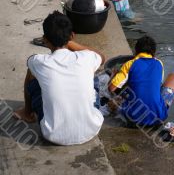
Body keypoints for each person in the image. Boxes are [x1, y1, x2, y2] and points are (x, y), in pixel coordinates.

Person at [14, 11, 105, 145]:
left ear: (45, 40)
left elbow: (31, 65)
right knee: (93, 78)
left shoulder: (38, 61)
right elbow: (102, 57)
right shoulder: (86, 57)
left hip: (52, 135)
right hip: (91, 130)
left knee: (33, 77)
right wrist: (70, 42)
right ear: (72, 35)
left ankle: (27, 112)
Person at [108, 35, 174, 127]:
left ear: (136, 51)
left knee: (118, 97)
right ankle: (158, 109)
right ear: (153, 52)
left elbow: (111, 88)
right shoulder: (159, 63)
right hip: (158, 117)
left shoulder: (130, 64)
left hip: (133, 119)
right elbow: (156, 85)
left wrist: (113, 76)